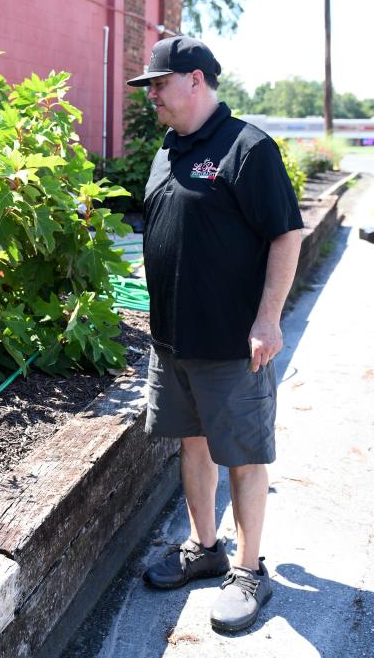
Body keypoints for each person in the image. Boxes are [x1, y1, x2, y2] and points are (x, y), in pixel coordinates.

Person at [126, 36, 303, 632]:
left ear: (195, 80)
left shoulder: (248, 149)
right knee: (192, 443)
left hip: (233, 343)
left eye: (158, 84)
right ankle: (207, 549)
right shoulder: (168, 149)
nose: (151, 95)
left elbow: (286, 235)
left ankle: (250, 571)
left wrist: (268, 318)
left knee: (244, 456)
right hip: (172, 342)